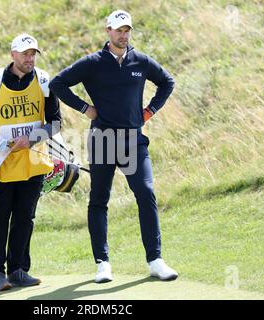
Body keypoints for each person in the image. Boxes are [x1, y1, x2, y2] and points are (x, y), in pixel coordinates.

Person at [49, 10, 178, 283]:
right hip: (103, 140)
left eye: (127, 29)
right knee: (99, 199)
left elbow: (167, 81)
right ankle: (102, 264)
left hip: (133, 139)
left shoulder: (140, 61)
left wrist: (150, 111)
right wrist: (85, 108)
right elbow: (58, 83)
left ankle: (155, 260)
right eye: (118, 29)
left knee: (146, 192)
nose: (123, 34)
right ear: (108, 30)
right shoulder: (92, 62)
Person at [0, 33, 61, 291]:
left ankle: (19, 270)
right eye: (25, 53)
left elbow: (55, 122)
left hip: (33, 162)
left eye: (33, 53)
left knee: (25, 218)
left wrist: (31, 139)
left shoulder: (44, 81)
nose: (29, 58)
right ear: (13, 55)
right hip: (0, 164)